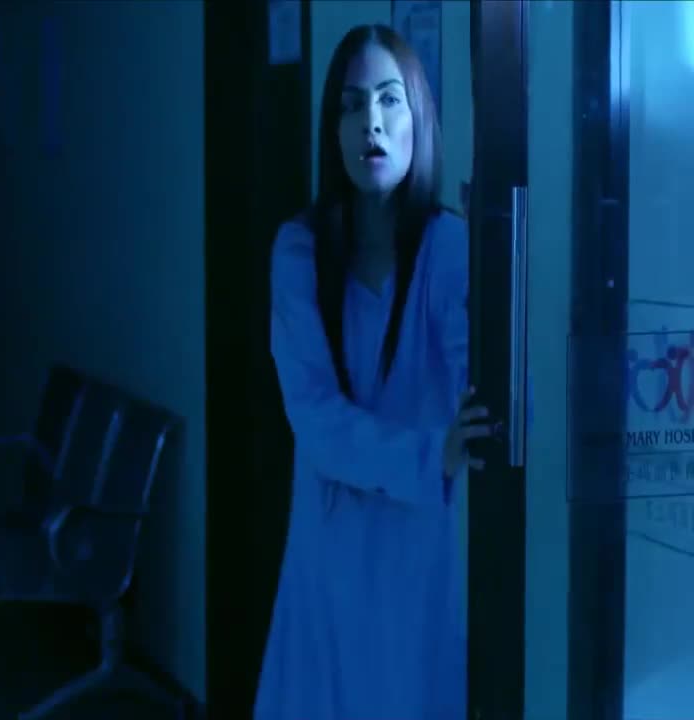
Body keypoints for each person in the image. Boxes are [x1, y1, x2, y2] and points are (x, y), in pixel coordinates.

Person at [253, 24, 495, 720]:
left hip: (416, 561)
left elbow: (495, 397)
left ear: (419, 115)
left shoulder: (447, 247)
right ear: (333, 129)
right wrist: (431, 454)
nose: (373, 123)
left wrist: (492, 269)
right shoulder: (299, 251)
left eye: (390, 100)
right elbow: (314, 417)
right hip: (328, 554)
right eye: (353, 105)